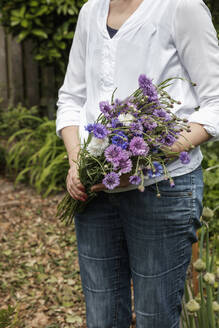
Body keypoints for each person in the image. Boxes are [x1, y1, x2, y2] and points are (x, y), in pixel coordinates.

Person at [56, 0, 219, 327]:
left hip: (162, 191)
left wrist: (151, 152)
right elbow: (72, 98)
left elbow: (215, 103)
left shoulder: (181, 8)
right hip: (94, 191)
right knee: (103, 318)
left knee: (154, 319)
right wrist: (77, 163)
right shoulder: (91, 11)